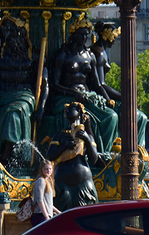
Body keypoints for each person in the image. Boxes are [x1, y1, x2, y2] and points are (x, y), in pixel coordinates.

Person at [0, 14, 48, 162]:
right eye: (5, 31)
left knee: (13, 114)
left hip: (24, 96)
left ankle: (6, 159)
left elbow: (45, 84)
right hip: (1, 96)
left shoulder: (36, 55)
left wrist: (41, 108)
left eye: (11, 30)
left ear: (21, 32)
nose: (8, 35)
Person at [50, 14, 118, 152]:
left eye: (87, 35)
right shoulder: (63, 54)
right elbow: (54, 84)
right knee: (80, 117)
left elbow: (98, 84)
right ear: (74, 34)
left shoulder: (90, 56)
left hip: (87, 97)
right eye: (81, 34)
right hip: (66, 97)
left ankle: (103, 152)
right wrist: (73, 93)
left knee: (112, 116)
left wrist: (108, 99)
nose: (84, 38)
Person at [90, 21, 147, 147]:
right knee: (137, 116)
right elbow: (100, 85)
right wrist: (121, 96)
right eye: (114, 37)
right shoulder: (98, 53)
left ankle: (138, 150)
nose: (115, 41)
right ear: (107, 36)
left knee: (141, 117)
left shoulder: (102, 52)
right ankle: (129, 148)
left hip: (103, 93)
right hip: (98, 96)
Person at [46, 102, 100, 210]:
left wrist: (87, 140)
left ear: (80, 112)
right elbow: (49, 156)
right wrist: (63, 147)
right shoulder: (59, 135)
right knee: (61, 218)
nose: (67, 108)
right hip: (62, 184)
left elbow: (94, 159)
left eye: (72, 107)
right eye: (66, 109)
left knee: (86, 216)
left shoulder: (87, 136)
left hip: (83, 182)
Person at [31, 160, 61, 226]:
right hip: (40, 216)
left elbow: (48, 203)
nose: (48, 171)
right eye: (46, 169)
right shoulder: (41, 181)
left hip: (45, 216)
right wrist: (46, 216)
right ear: (42, 169)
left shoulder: (48, 181)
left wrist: (58, 212)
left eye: (50, 169)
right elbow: (40, 201)